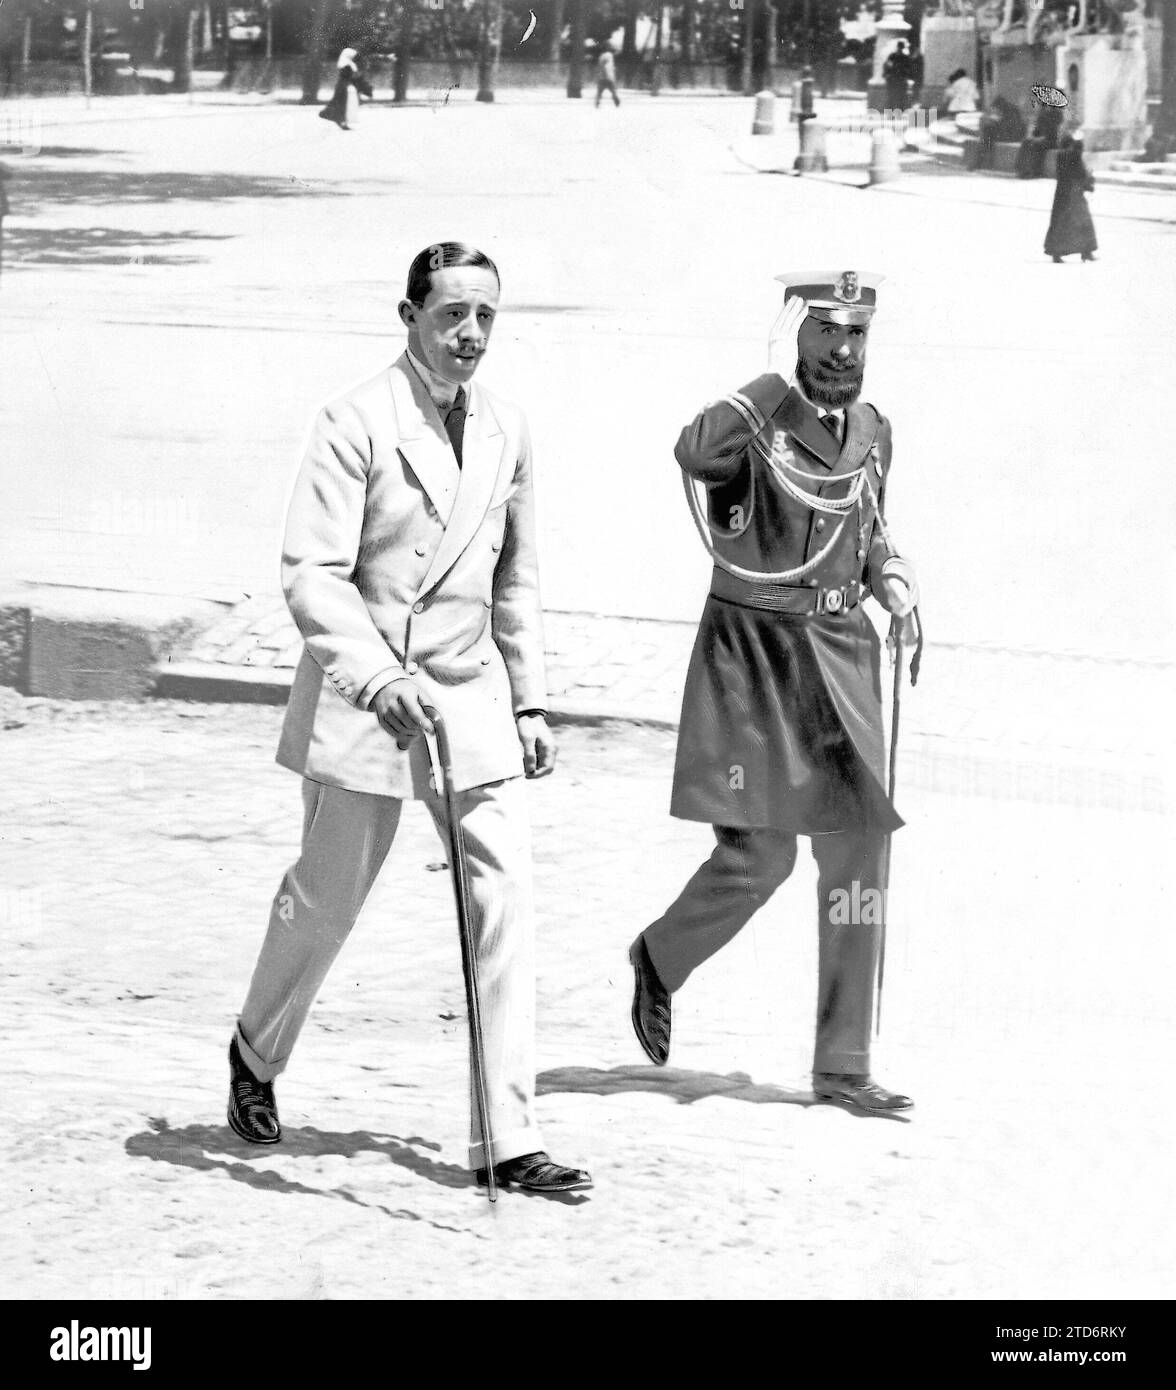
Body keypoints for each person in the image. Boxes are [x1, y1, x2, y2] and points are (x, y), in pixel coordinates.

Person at [227, 242, 592, 1196]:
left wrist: (531, 699)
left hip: (468, 696)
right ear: (409, 317)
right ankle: (256, 1053)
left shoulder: (509, 427)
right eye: (451, 315)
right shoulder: (353, 422)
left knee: (503, 902)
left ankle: (508, 1139)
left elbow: (517, 577)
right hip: (369, 701)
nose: (470, 334)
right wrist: (375, 679)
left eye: (485, 317)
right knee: (328, 895)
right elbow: (312, 572)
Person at [628, 271, 920, 1116]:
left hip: (841, 656)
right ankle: (659, 957)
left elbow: (869, 529)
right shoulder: (754, 424)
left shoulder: (873, 431)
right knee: (762, 857)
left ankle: (844, 1065)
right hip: (753, 662)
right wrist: (765, 381)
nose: (842, 353)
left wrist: (892, 581)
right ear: (792, 339)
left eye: (857, 336)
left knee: (860, 853)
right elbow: (693, 452)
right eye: (825, 334)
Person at [1044, 130, 1097, 262]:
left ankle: (1059, 253)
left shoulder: (1061, 155)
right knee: (1082, 221)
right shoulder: (1072, 155)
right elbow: (1080, 172)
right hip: (1074, 193)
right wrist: (1089, 183)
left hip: (1063, 193)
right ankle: (1086, 251)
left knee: (1062, 222)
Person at [319, 47, 373, 131]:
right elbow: (351, 77)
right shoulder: (346, 65)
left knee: (341, 104)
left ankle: (341, 120)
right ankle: (340, 120)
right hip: (344, 87)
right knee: (342, 104)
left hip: (344, 86)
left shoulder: (347, 63)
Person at [1016, 97, 1065, 179]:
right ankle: (1021, 168)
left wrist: (1041, 138)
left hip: (1050, 140)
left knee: (1035, 145)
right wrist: (1033, 136)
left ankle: (1032, 171)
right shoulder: (1043, 114)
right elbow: (1037, 129)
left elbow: (1054, 130)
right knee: (1026, 142)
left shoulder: (1057, 114)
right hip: (1040, 138)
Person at [976, 95, 1026, 169]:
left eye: (996, 109)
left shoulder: (1011, 111)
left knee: (987, 132)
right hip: (1010, 134)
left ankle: (980, 161)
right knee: (988, 133)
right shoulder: (1008, 109)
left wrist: (997, 121)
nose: (996, 111)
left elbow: (1009, 127)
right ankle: (984, 161)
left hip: (1013, 136)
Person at [882, 40, 909, 111]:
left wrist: (886, 74)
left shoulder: (892, 56)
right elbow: (908, 69)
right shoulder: (905, 57)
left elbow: (887, 65)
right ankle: (898, 110)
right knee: (899, 96)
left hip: (893, 78)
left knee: (892, 95)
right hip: (899, 78)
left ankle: (891, 110)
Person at [595, 43, 620, 108]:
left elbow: (600, 66)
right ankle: (616, 101)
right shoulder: (610, 55)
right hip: (609, 77)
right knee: (613, 91)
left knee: (599, 92)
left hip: (602, 77)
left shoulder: (601, 56)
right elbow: (608, 66)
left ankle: (597, 103)